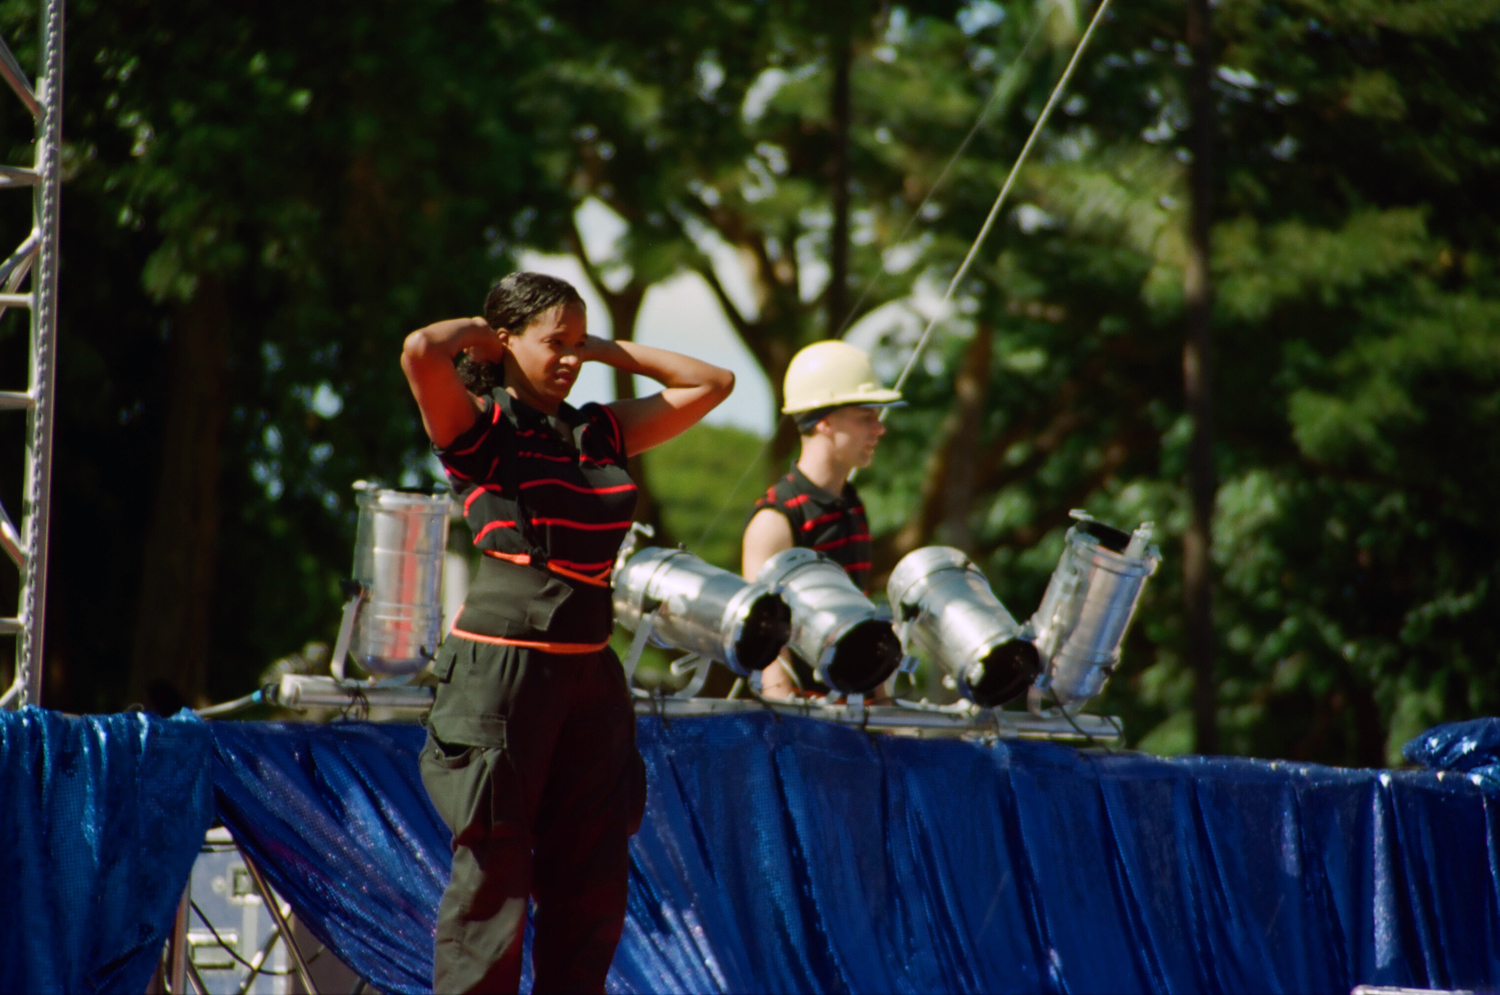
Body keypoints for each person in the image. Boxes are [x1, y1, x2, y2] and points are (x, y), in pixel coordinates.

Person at [401, 271, 733, 994]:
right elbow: (421, 350)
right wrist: (483, 339)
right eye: (556, 343)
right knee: (493, 881)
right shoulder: (480, 427)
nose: (571, 358)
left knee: (591, 882)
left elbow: (713, 382)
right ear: (505, 341)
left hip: (590, 675)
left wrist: (603, 349)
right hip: (502, 677)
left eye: (578, 344)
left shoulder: (598, 430)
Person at [740, 340, 902, 699]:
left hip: (856, 709)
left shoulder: (851, 503)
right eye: (866, 417)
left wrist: (882, 705)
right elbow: (767, 651)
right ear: (825, 421)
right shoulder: (775, 519)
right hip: (807, 717)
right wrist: (794, 719)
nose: (879, 428)